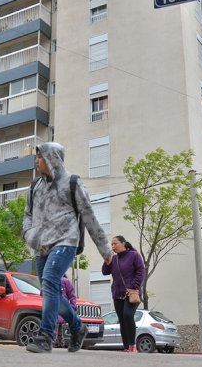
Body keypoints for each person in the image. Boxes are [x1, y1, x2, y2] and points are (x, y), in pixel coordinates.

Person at [22, 143, 112, 354]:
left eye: (40, 157)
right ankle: (77, 326)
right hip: (41, 245)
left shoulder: (72, 183)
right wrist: (29, 234)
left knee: (51, 280)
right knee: (49, 290)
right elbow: (27, 214)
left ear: (52, 158)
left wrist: (105, 250)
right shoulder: (36, 186)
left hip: (66, 241)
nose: (37, 161)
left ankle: (46, 337)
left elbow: (89, 216)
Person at [102, 236, 146, 353]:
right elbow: (105, 272)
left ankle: (132, 345)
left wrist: (133, 286)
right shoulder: (114, 258)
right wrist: (107, 260)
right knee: (122, 320)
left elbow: (141, 271)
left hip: (131, 293)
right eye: (111, 244)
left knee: (127, 315)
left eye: (115, 244)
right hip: (117, 293)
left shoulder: (134, 255)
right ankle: (127, 347)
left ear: (123, 243)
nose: (113, 246)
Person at [54, 275, 77, 348]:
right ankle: (58, 343)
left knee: (58, 324)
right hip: (55, 309)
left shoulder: (64, 281)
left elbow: (72, 295)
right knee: (58, 325)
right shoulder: (50, 279)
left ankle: (57, 342)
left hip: (59, 309)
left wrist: (72, 307)